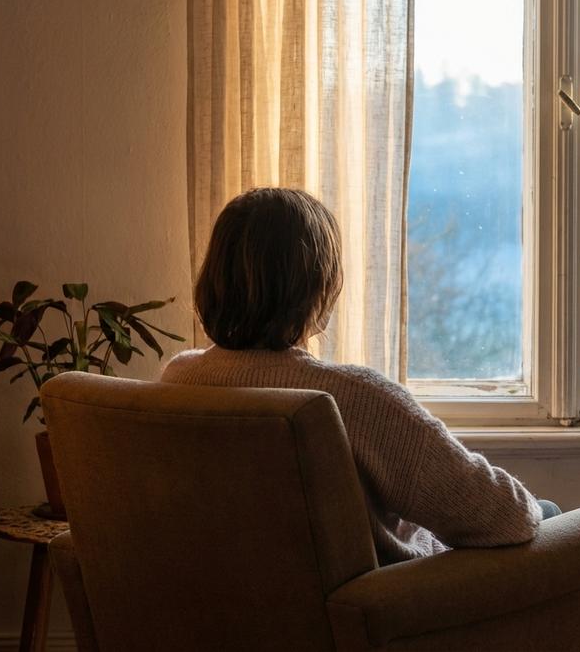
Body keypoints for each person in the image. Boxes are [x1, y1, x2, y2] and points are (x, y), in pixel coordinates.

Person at [162, 187, 553, 565]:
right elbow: (506, 517)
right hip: (393, 612)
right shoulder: (354, 399)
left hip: (241, 615)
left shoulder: (178, 384)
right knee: (546, 512)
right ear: (320, 287)